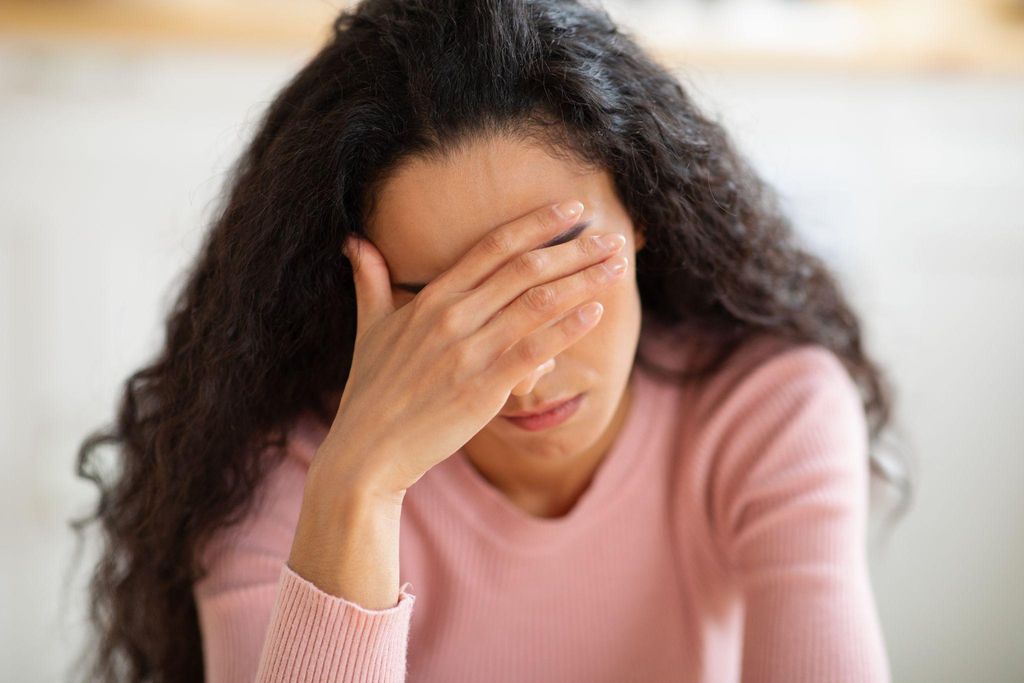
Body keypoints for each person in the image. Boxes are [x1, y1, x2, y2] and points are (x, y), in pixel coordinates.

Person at [73, 0, 910, 681]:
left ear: (646, 213)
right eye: (447, 306)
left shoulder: (766, 410)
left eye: (557, 274)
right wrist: (358, 487)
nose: (528, 373)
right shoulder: (277, 467)